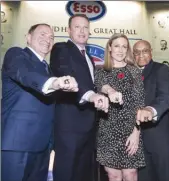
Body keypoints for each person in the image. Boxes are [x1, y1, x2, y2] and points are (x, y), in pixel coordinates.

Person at [1, 23, 78, 181]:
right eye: (42, 34)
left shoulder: (48, 69)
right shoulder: (16, 55)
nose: (47, 39)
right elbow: (26, 75)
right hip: (17, 145)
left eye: (51, 37)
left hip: (43, 148)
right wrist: (54, 83)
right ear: (28, 38)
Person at [50, 14, 109, 181]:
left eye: (85, 27)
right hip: (70, 125)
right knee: (67, 171)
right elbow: (64, 73)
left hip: (90, 126)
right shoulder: (61, 49)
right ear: (68, 30)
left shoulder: (88, 57)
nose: (82, 31)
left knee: (84, 173)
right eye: (77, 27)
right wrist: (91, 96)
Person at [94, 33, 145, 181]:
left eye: (124, 46)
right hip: (108, 131)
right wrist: (111, 91)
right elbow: (102, 85)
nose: (120, 50)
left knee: (130, 175)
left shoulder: (134, 71)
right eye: (117, 46)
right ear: (110, 48)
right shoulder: (100, 70)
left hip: (131, 129)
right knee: (114, 176)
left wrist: (136, 133)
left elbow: (139, 103)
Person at [133, 40, 169, 181]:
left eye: (145, 51)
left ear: (151, 51)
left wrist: (150, 110)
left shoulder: (161, 69)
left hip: (160, 137)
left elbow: (165, 96)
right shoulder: (129, 72)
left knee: (166, 176)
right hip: (137, 139)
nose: (141, 55)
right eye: (137, 52)